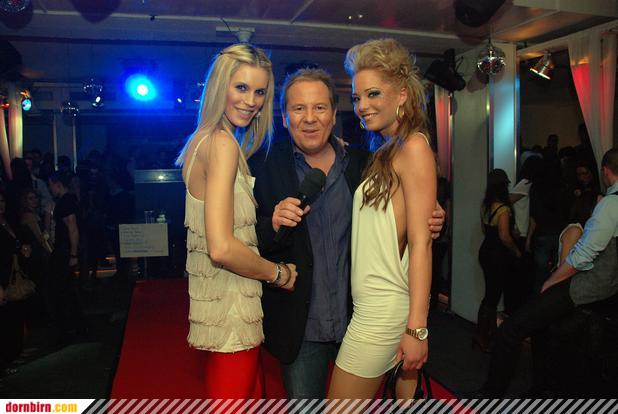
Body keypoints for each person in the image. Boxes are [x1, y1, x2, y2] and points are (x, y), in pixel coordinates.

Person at [249, 67, 444, 399]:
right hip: (302, 328)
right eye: (299, 108)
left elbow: (399, 211)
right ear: (284, 117)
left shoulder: (364, 162)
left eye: (319, 107)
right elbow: (242, 239)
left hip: (359, 318)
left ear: (333, 113)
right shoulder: (263, 166)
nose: (310, 118)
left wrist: (433, 215)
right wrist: (272, 224)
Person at [175, 43, 298, 399]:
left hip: (224, 306)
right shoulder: (221, 144)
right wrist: (279, 274)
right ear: (219, 87)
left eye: (260, 92)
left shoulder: (202, 141)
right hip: (229, 308)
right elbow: (222, 248)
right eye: (241, 87)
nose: (251, 101)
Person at [327, 38, 437, 399]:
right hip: (375, 306)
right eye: (357, 97)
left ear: (402, 94)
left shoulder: (414, 147)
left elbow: (420, 244)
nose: (362, 106)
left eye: (373, 94)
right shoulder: (385, 149)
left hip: (382, 312)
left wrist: (417, 329)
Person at [475, 147, 618, 397]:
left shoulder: (609, 204)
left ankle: (491, 394)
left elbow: (582, 256)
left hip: (586, 286)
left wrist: (552, 280)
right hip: (605, 289)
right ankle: (542, 387)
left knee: (512, 328)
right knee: (541, 328)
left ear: (605, 171)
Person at [475, 169, 522, 353]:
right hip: (497, 255)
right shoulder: (503, 209)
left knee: (490, 294)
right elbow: (504, 236)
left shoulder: (486, 205)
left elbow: (484, 230)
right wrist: (516, 251)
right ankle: (482, 336)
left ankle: (487, 333)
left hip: (485, 250)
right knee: (492, 296)